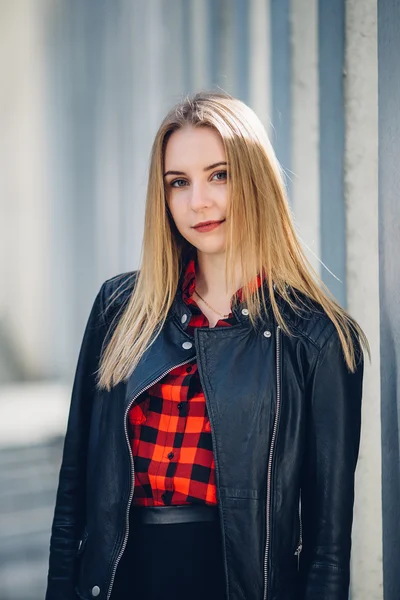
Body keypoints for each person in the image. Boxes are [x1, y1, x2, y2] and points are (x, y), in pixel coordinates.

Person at [45, 91, 367, 600]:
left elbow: (328, 547)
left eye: (219, 175)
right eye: (179, 182)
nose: (199, 201)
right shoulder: (120, 308)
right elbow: (73, 500)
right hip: (121, 583)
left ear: (255, 178)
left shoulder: (317, 338)